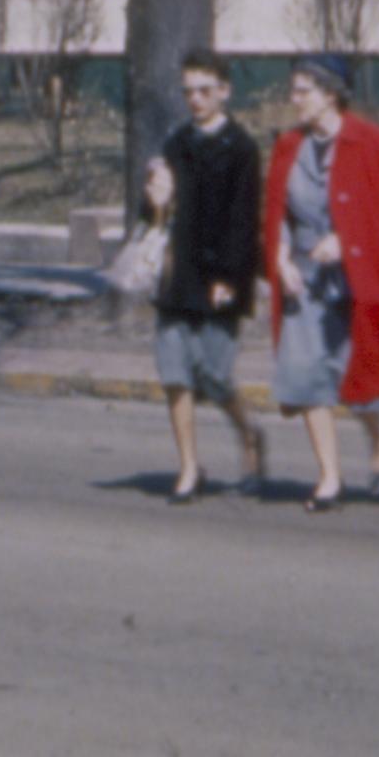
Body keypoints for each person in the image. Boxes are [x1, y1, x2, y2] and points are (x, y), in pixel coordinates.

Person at [261, 53, 379, 511]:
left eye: (303, 90)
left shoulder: (369, 142)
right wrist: (280, 256)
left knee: (358, 378)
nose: (294, 99)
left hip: (357, 279)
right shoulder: (288, 147)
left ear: (331, 93)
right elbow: (276, 210)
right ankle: (329, 477)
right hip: (303, 279)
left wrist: (344, 240)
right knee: (305, 377)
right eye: (293, 90)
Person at [143, 50, 266, 504]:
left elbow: (242, 221)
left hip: (222, 279)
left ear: (224, 91)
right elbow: (157, 213)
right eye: (188, 91)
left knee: (214, 376)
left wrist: (228, 278)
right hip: (178, 277)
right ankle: (189, 468)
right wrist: (154, 196)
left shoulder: (242, 148)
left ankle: (249, 434)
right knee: (176, 374)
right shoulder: (176, 144)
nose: (195, 100)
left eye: (204, 91)